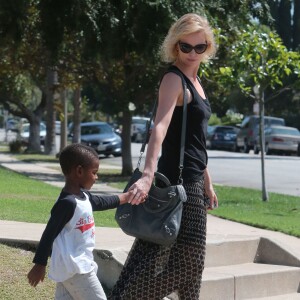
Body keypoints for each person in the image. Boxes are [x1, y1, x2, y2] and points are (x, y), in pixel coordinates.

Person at [109, 13, 218, 299]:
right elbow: (159, 127)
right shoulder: (174, 79)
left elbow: (195, 140)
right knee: (189, 263)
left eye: (200, 47)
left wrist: (207, 181)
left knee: (156, 258)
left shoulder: (197, 80)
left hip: (193, 179)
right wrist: (147, 175)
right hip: (175, 182)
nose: (193, 53)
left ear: (208, 46)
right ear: (174, 46)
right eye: (186, 47)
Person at [27, 143, 133, 300]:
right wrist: (39, 264)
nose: (96, 177)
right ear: (79, 171)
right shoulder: (67, 203)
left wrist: (128, 197)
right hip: (77, 268)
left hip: (70, 269)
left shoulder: (84, 197)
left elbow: (103, 202)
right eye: (94, 172)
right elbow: (49, 234)